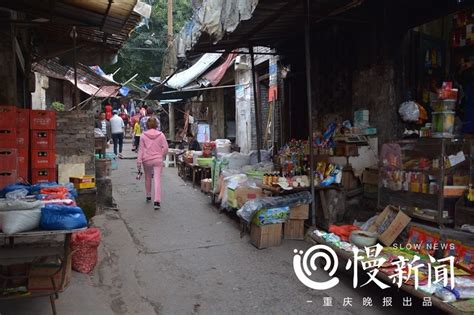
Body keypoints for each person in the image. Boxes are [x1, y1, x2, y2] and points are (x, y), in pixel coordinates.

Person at [137, 117, 169, 210]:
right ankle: (157, 201)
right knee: (157, 179)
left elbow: (141, 150)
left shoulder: (143, 135)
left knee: (147, 177)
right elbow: (166, 148)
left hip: (146, 160)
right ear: (156, 125)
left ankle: (148, 195)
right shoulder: (161, 135)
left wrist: (139, 162)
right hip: (157, 160)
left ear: (147, 125)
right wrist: (160, 155)